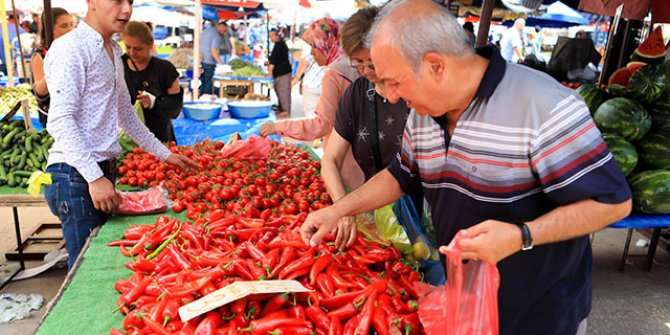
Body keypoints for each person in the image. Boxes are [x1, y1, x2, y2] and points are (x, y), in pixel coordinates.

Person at [300, 1, 632, 335]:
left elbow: (612, 202)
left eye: (393, 82)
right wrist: (338, 210)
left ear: (435, 66)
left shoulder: (546, 107)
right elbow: (400, 175)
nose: (389, 97)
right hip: (465, 302)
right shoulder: (423, 115)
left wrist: (522, 236)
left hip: (539, 313)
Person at [43, 0, 198, 270]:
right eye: (116, 1)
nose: (126, 9)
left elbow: (125, 114)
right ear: (91, 2)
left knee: (100, 262)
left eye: (130, 1)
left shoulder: (112, 51)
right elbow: (60, 119)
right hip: (76, 175)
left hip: (97, 172)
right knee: (85, 271)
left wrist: (165, 154)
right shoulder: (72, 48)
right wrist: (94, 177)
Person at [322, 6, 410, 249]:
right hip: (375, 214)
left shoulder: (415, 91)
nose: (367, 72)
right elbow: (330, 160)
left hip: (422, 216)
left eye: (372, 63)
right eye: (358, 64)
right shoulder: (357, 94)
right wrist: (343, 208)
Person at [259, 18, 364, 190]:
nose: (312, 53)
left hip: (345, 157)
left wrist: (278, 127)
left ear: (327, 43)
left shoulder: (334, 74)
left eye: (315, 46)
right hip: (363, 149)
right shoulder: (354, 65)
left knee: (348, 204)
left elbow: (322, 124)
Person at [121, 21, 183, 143]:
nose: (132, 53)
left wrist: (154, 103)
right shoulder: (117, 65)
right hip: (125, 139)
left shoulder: (165, 69)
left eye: (138, 49)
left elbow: (175, 108)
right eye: (128, 47)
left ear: (150, 45)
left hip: (160, 138)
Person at [30, 7, 75, 127]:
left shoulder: (73, 52)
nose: (70, 29)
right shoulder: (40, 55)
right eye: (64, 26)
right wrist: (57, 67)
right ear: (50, 30)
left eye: (72, 25)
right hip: (54, 121)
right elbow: (40, 91)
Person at [199, 20, 228, 95]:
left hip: (201, 61)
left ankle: (201, 98)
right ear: (220, 27)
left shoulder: (206, 31)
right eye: (224, 31)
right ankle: (206, 101)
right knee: (208, 84)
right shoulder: (217, 36)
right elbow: (213, 50)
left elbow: (198, 42)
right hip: (209, 62)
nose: (224, 33)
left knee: (202, 82)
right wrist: (221, 64)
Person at [268, 28, 292, 117]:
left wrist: (269, 76)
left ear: (277, 36)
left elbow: (273, 63)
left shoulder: (279, 45)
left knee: (283, 92)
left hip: (283, 72)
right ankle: (282, 108)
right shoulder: (279, 44)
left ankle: (286, 110)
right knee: (279, 91)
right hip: (280, 72)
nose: (270, 38)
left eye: (272, 36)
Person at [293, 52, 325, 118]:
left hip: (312, 84)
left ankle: (314, 127)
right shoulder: (335, 50)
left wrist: (297, 78)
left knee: (311, 112)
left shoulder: (315, 48)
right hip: (327, 85)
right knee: (324, 112)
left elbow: (304, 62)